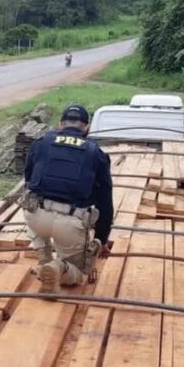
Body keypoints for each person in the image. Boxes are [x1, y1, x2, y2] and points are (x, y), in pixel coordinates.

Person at [22, 104, 113, 293]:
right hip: (70, 223)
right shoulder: (96, 153)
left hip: (36, 217)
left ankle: (44, 260)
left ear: (60, 124)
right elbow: (105, 201)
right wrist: (101, 239)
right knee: (77, 274)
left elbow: (29, 178)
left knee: (33, 211)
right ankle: (58, 267)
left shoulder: (41, 142)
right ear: (86, 127)